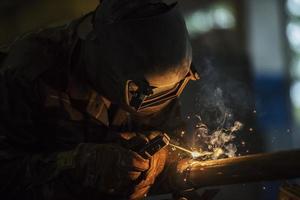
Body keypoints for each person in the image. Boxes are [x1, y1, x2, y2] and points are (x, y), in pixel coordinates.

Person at [0, 0, 199, 199]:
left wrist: (159, 160)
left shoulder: (159, 72)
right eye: (142, 92)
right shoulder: (29, 71)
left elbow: (176, 141)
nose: (154, 99)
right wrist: (74, 163)